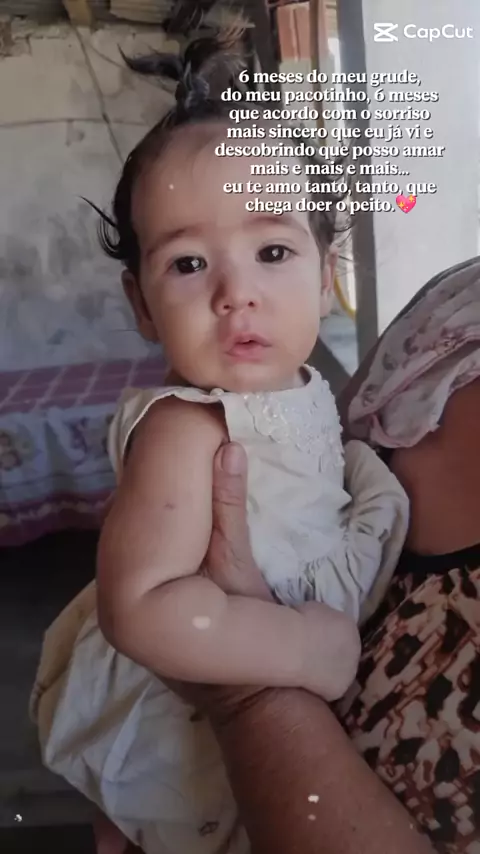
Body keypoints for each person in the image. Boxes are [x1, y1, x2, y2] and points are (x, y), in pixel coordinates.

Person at [29, 22, 410, 854]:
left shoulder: (305, 389)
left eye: (272, 249)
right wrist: (301, 650)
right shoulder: (185, 427)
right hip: (186, 715)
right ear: (141, 304)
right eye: (189, 264)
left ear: (326, 274)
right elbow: (141, 610)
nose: (236, 292)